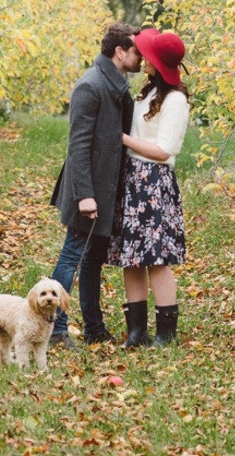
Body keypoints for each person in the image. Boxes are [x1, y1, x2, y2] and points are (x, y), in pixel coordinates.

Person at [49, 22, 142, 347]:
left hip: (106, 190)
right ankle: (56, 332)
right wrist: (85, 197)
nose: (141, 56)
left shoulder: (112, 85)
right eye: (136, 50)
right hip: (87, 192)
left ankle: (94, 329)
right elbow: (78, 147)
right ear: (120, 52)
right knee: (71, 257)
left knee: (91, 259)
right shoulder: (91, 86)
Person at [107, 27, 190, 348]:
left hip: (154, 182)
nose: (142, 58)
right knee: (132, 257)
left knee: (156, 258)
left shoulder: (176, 99)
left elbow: (164, 149)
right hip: (133, 179)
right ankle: (136, 331)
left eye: (148, 56)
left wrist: (122, 138)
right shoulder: (149, 93)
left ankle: (165, 334)